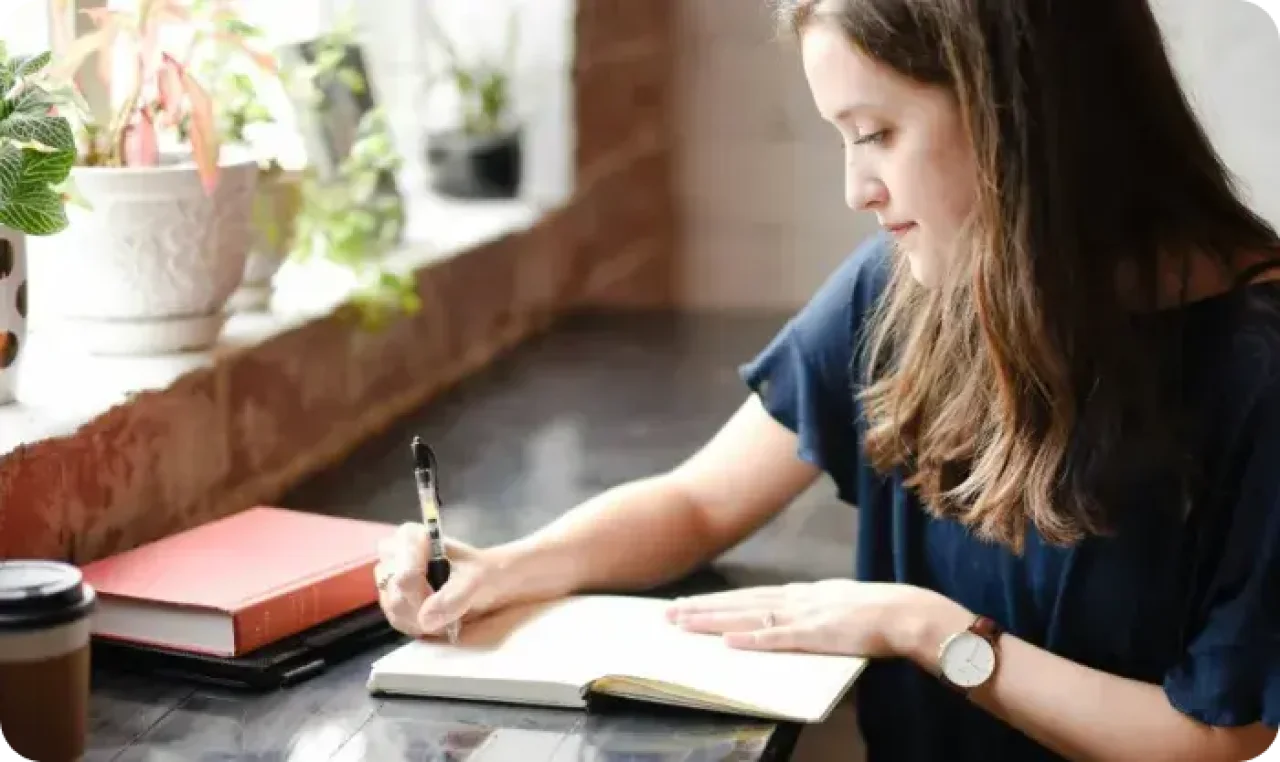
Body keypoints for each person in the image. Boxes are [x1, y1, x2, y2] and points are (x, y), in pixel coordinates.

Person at [374, 0, 1280, 759]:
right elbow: (699, 502)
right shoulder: (908, 287)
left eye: (878, 133)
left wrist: (927, 631)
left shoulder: (1260, 367)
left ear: (1021, 108)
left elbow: (1213, 742)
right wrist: (508, 569)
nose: (858, 188)